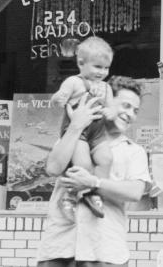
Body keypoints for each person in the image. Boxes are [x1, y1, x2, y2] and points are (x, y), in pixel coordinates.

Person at [37, 76, 151, 267]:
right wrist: (76, 125)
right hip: (60, 248)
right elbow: (53, 168)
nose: (130, 114)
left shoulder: (134, 151)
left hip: (105, 252)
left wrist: (94, 183)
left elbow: (135, 192)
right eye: (125, 106)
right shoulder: (74, 139)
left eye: (135, 110)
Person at [51, 36, 115, 219]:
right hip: (77, 132)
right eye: (97, 67)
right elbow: (58, 98)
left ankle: (93, 191)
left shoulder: (106, 88)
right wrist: (59, 98)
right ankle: (69, 196)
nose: (102, 72)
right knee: (84, 163)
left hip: (97, 132)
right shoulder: (74, 82)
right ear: (81, 63)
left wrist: (110, 113)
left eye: (106, 68)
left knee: (106, 158)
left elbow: (110, 108)